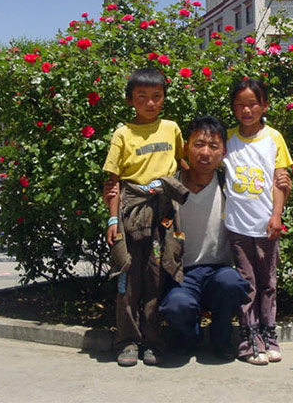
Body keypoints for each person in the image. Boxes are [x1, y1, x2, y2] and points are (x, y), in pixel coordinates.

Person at [102, 68, 188, 367]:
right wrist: (113, 220)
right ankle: (127, 341)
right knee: (127, 277)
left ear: (163, 98)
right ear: (130, 100)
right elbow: (113, 182)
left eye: (156, 96)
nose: (150, 103)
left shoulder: (172, 128)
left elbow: (182, 163)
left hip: (163, 215)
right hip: (131, 212)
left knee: (156, 276)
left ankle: (152, 340)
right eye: (142, 97)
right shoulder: (122, 134)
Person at [158, 116, 250, 360]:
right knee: (176, 305)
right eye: (198, 144)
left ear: (223, 152)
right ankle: (190, 337)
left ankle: (221, 338)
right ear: (186, 147)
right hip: (182, 275)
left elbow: (261, 201)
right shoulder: (170, 187)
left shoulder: (229, 186)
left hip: (218, 272)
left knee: (232, 284)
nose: (205, 153)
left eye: (213, 146)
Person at [223, 78, 292, 365]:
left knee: (268, 283)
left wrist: (276, 215)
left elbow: (281, 180)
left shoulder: (273, 138)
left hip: (266, 226)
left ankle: (269, 334)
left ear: (264, 105)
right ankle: (249, 337)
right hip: (237, 227)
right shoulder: (227, 138)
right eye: (240, 105)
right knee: (246, 283)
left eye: (252, 104)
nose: (246, 110)